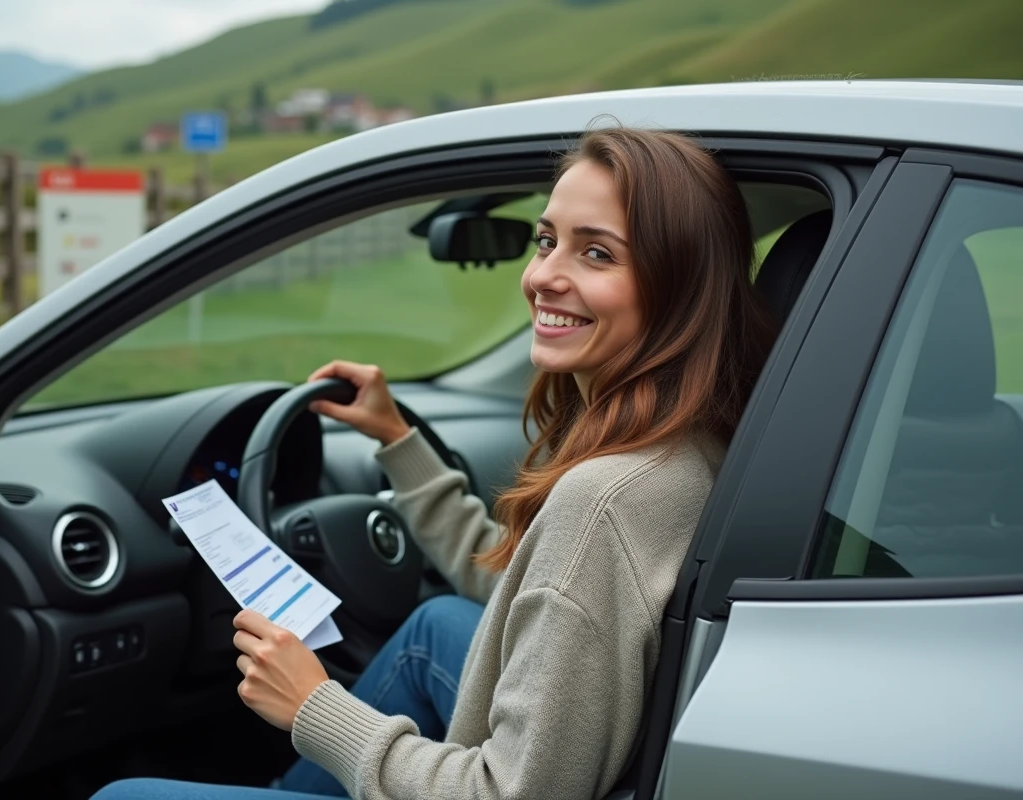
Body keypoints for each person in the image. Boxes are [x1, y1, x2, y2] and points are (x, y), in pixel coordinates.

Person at [90, 125, 776, 800]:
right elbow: (526, 588)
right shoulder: (690, 442)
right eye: (546, 240)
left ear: (679, 287)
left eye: (596, 254)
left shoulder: (604, 500)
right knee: (435, 625)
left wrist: (312, 706)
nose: (541, 277)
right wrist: (398, 441)